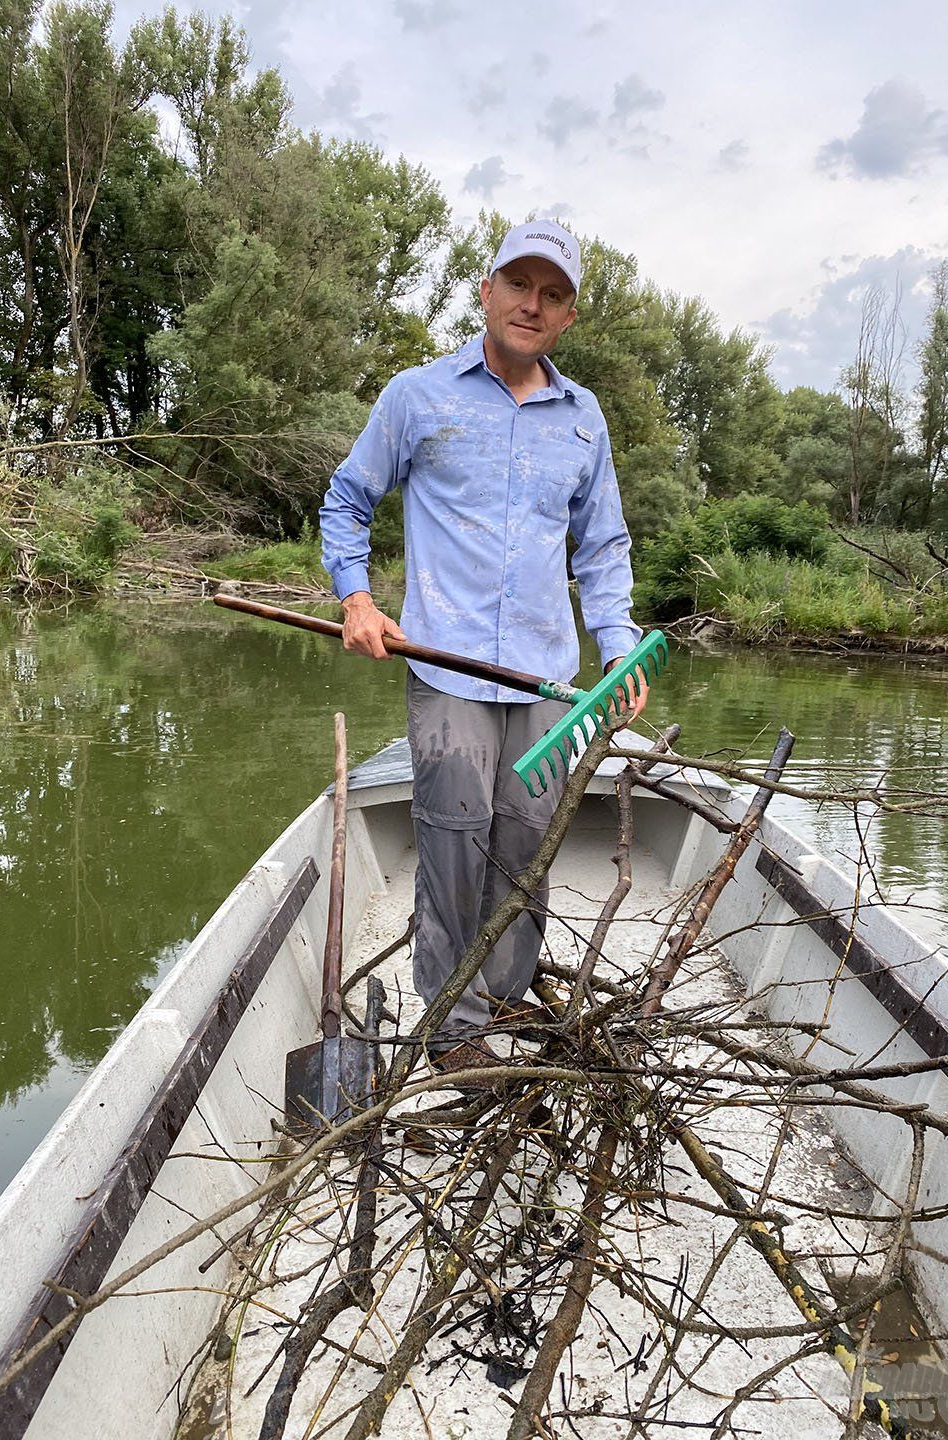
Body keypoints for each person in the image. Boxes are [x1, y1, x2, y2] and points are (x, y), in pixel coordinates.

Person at [319, 219, 647, 1075]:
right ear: (485, 290)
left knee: (529, 842)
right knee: (454, 839)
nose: (531, 306)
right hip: (447, 668)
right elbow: (347, 500)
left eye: (553, 294)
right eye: (519, 285)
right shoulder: (418, 396)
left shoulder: (583, 420)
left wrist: (617, 644)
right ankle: (455, 1028)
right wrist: (355, 596)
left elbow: (602, 547)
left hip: (547, 678)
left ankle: (505, 990)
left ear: (570, 315)